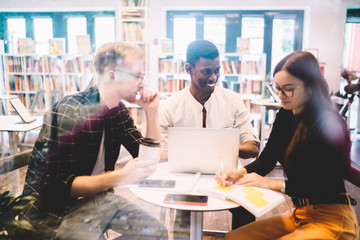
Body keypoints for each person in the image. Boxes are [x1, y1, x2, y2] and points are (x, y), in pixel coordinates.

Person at [22, 42, 168, 239]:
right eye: (137, 76)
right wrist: (121, 176)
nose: (142, 83)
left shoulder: (118, 111)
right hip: (55, 213)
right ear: (112, 75)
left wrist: (151, 112)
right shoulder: (71, 111)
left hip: (98, 201)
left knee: (157, 232)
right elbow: (58, 187)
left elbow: (148, 158)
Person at [216, 51, 359, 240]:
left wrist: (271, 184)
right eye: (277, 88)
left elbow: (318, 185)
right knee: (234, 237)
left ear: (310, 87)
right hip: (299, 214)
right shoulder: (285, 115)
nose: (281, 95)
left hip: (331, 219)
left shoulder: (328, 124)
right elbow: (266, 160)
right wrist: (238, 173)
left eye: (288, 89)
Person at [159, 40, 260, 231]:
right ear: (188, 68)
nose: (214, 77)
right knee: (183, 217)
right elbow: (163, 154)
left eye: (217, 70)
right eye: (207, 71)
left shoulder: (233, 101)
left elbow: (252, 147)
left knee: (246, 210)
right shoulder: (170, 107)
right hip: (184, 177)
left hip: (228, 175)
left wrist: (223, 148)